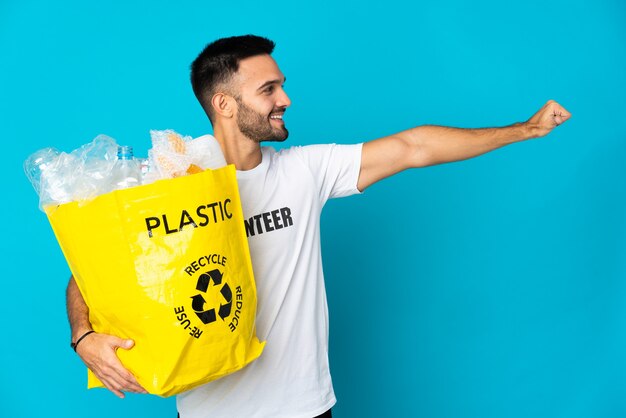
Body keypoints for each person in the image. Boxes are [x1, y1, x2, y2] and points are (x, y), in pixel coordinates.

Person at [66, 34, 571, 417]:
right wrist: (83, 335)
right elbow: (93, 269)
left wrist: (523, 130)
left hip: (305, 405)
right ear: (224, 104)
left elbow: (413, 147)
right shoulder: (171, 187)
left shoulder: (303, 170)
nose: (285, 98)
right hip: (211, 410)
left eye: (281, 85)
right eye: (269, 88)